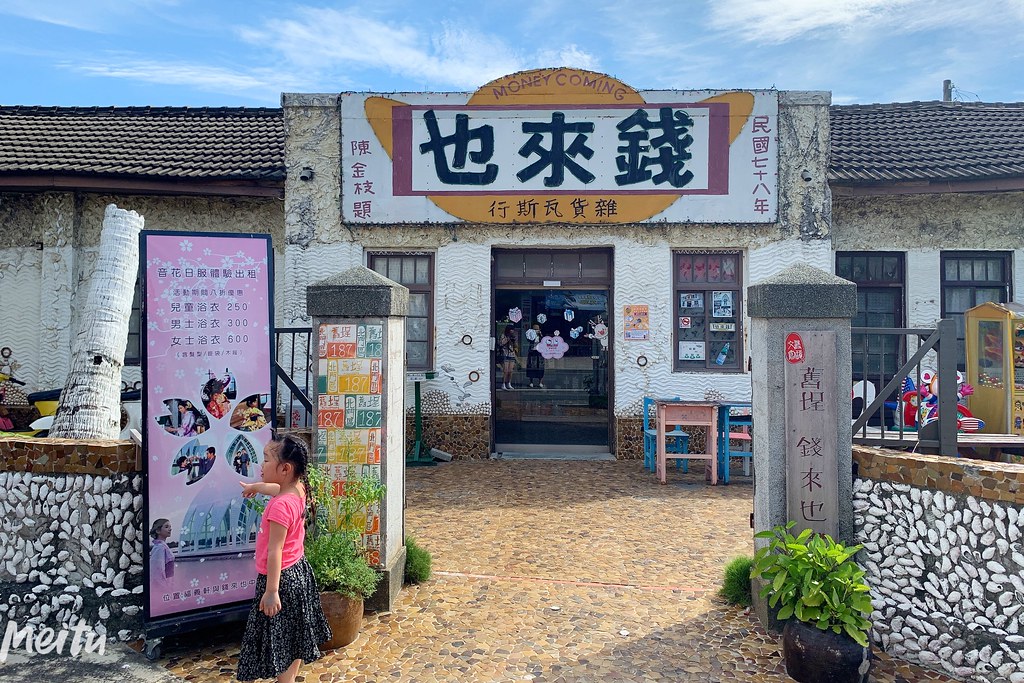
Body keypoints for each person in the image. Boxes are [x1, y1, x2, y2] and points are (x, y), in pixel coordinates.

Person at [237, 434, 331, 683]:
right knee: (295, 634)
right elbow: (276, 488)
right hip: (299, 572)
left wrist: (271, 591)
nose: (261, 465)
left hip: (281, 581)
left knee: (280, 641)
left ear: (285, 468)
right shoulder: (298, 489)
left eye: (266, 460)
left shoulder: (280, 507)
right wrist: (256, 487)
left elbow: (274, 550)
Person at [149, 518, 175, 591]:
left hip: (168, 584)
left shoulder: (162, 546)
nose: (170, 529)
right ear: (158, 530)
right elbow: (157, 571)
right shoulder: (159, 547)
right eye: (166, 527)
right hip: (164, 588)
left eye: (170, 527)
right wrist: (165, 589)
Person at [498, 325, 518, 390]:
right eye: (511, 330)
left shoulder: (514, 336)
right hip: (505, 353)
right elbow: (501, 343)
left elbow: (516, 346)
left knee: (510, 370)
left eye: (513, 330)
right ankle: (503, 384)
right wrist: (508, 339)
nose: (512, 331)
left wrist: (514, 340)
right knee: (505, 370)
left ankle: (509, 383)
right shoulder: (503, 335)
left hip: (512, 354)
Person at [526, 323, 545, 389]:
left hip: (540, 352)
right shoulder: (530, 335)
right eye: (534, 329)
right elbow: (529, 340)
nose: (536, 330)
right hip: (532, 352)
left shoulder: (541, 335)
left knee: (540, 367)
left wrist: (540, 335)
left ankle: (540, 382)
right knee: (531, 367)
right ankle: (531, 382)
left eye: (537, 329)